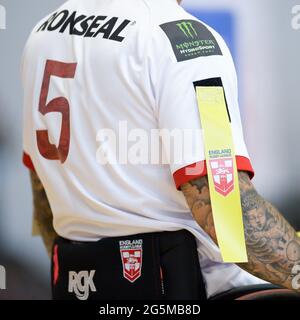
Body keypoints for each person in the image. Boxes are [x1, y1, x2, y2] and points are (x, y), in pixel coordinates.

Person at [22, 0, 300, 299]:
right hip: (197, 287)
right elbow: (227, 212)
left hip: (79, 285)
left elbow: (42, 190)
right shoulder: (184, 40)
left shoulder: (43, 33)